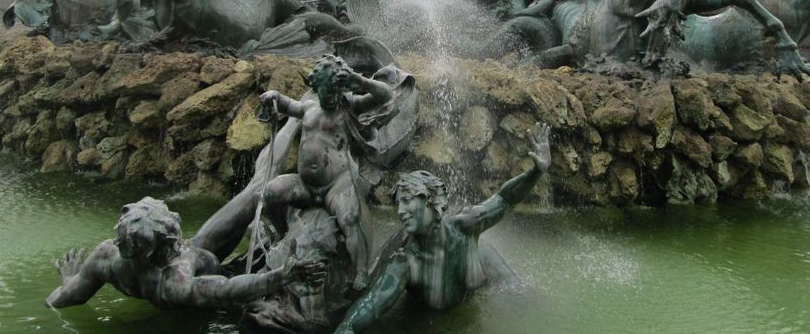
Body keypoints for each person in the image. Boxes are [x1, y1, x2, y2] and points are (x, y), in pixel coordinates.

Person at [332, 123, 551, 333]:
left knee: (522, 295)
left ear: (431, 201)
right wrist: (346, 327)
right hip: (432, 306)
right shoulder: (406, 262)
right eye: (399, 203)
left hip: (478, 260)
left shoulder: (466, 227)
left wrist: (536, 172)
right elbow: (371, 304)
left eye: (408, 200)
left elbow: (504, 199)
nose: (400, 211)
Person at [259, 54, 395, 291]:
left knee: (350, 218)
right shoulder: (309, 108)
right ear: (315, 86)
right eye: (327, 92)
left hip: (336, 185)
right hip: (305, 185)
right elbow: (288, 105)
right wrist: (273, 97)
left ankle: (361, 272)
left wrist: (359, 82)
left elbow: (385, 95)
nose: (332, 98)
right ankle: (282, 232)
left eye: (336, 91)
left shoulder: (349, 106)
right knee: (270, 193)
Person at [45, 197, 315, 310]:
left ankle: (292, 119)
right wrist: (279, 277)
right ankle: (292, 119)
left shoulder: (106, 256)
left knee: (252, 198)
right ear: (167, 240)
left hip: (200, 256)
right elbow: (229, 289)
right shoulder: (176, 282)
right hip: (214, 264)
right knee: (254, 194)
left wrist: (70, 280)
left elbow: (60, 300)